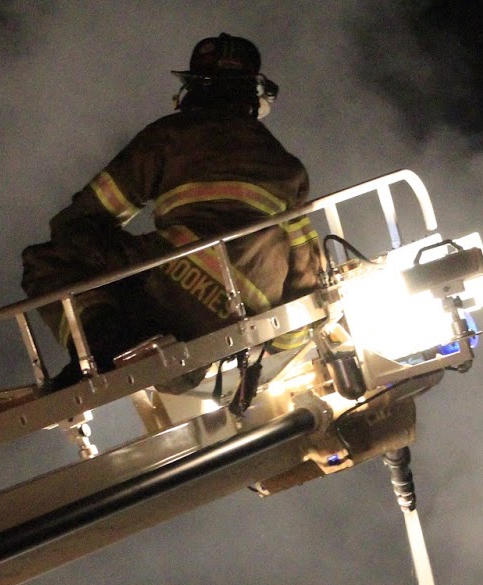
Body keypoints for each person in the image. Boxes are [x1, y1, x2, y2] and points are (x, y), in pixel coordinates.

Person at [22, 33, 322, 390]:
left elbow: (83, 217)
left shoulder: (169, 137)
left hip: (171, 282)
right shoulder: (289, 167)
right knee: (174, 372)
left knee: (47, 260)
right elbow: (305, 270)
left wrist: (96, 245)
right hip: (239, 318)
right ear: (254, 98)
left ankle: (103, 346)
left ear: (192, 89)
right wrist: (281, 343)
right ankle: (149, 353)